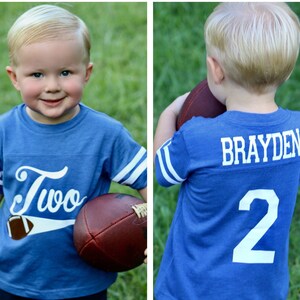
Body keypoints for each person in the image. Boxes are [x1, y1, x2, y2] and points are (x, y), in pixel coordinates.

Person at [0, 4, 147, 300]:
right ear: (14, 78)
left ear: (87, 72)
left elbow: (144, 179)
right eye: (37, 74)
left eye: (65, 72)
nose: (52, 86)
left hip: (83, 280)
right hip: (12, 276)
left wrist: (146, 229)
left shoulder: (106, 134)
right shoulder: (5, 132)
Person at [154, 3, 300, 299]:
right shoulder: (296, 130)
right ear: (287, 72)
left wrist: (170, 112)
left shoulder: (198, 137)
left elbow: (161, 171)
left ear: (215, 69)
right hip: (264, 291)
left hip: (194, 289)